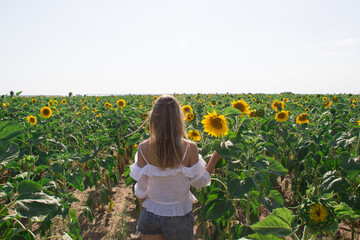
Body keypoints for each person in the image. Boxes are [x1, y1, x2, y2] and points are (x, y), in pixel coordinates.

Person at [129, 95, 222, 240]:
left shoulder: (143, 148)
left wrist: (144, 213)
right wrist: (215, 157)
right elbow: (199, 182)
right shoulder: (189, 148)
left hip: (150, 214)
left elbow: (141, 189)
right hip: (178, 216)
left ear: (154, 118)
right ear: (179, 118)